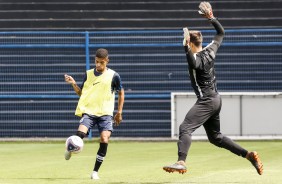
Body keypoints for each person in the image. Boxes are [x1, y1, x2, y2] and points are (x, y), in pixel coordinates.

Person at [163, 2, 263, 175]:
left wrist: (185, 47)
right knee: (216, 138)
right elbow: (221, 33)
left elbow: (193, 62)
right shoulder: (210, 49)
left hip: (207, 100)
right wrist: (211, 18)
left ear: (191, 43)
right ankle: (249, 155)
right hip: (215, 99)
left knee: (185, 128)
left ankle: (181, 161)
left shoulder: (196, 59)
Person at [64, 48, 124, 180]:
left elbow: (121, 92)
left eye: (101, 62)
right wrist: (73, 84)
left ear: (107, 61)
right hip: (90, 112)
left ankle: (95, 172)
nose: (98, 65)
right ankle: (70, 148)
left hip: (106, 114)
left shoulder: (114, 76)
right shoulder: (89, 74)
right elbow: (82, 94)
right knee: (79, 136)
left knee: (104, 139)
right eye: (96, 62)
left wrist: (119, 112)